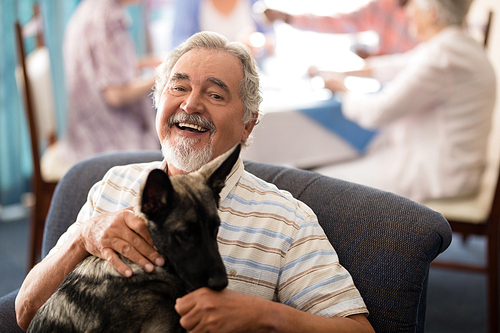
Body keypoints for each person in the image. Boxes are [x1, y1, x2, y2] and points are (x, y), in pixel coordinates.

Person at [15, 31, 374, 333]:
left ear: (249, 123)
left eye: (215, 95)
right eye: (178, 88)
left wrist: (264, 316)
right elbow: (26, 310)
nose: (190, 105)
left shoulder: (285, 219)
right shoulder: (114, 184)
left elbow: (358, 329)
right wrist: (82, 237)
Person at [311, 0, 496, 203]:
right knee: (335, 169)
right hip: (454, 169)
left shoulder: (443, 54)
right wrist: (340, 72)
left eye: (413, 4)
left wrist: (343, 89)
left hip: (440, 179)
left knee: (317, 186)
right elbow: (398, 65)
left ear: (432, 14)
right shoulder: (455, 44)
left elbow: (378, 112)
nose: (407, 11)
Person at [42, 0, 161, 181]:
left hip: (81, 135)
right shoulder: (109, 19)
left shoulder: (89, 9)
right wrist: (161, 76)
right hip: (107, 139)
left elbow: (101, 71)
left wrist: (141, 64)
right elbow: (115, 95)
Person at [264, 0, 418, 58]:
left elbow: (425, 58)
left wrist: (378, 58)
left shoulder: (431, 12)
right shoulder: (383, 5)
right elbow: (340, 22)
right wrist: (287, 17)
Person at [170, 0, 274, 56]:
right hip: (207, 75)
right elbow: (178, 46)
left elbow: (270, 40)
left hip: (252, 75)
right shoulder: (188, 3)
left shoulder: (256, 2)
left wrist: (257, 42)